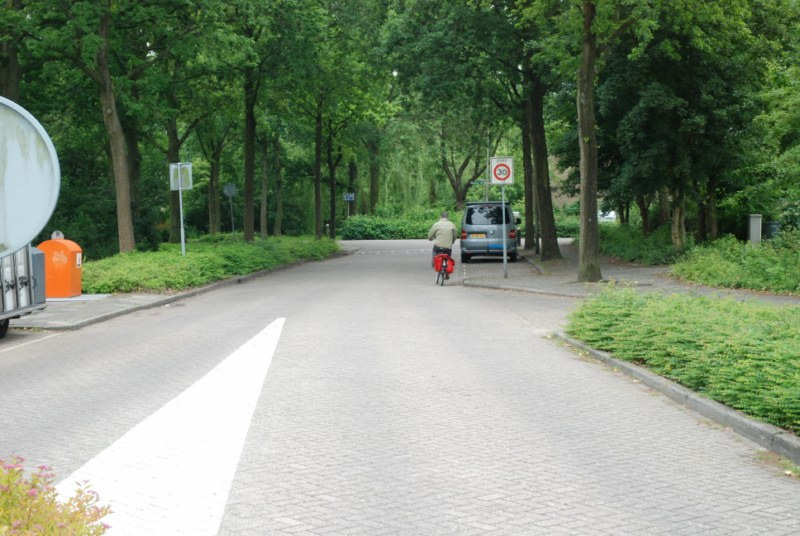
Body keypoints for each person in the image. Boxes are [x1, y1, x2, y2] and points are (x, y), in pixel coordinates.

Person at [428, 211, 458, 276]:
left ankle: (433, 261)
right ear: (447, 217)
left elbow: (430, 235)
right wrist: (452, 240)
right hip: (448, 247)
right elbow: (455, 235)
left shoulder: (436, 224)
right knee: (448, 256)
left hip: (438, 246)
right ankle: (447, 273)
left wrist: (430, 238)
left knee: (435, 250)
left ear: (440, 217)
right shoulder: (451, 224)